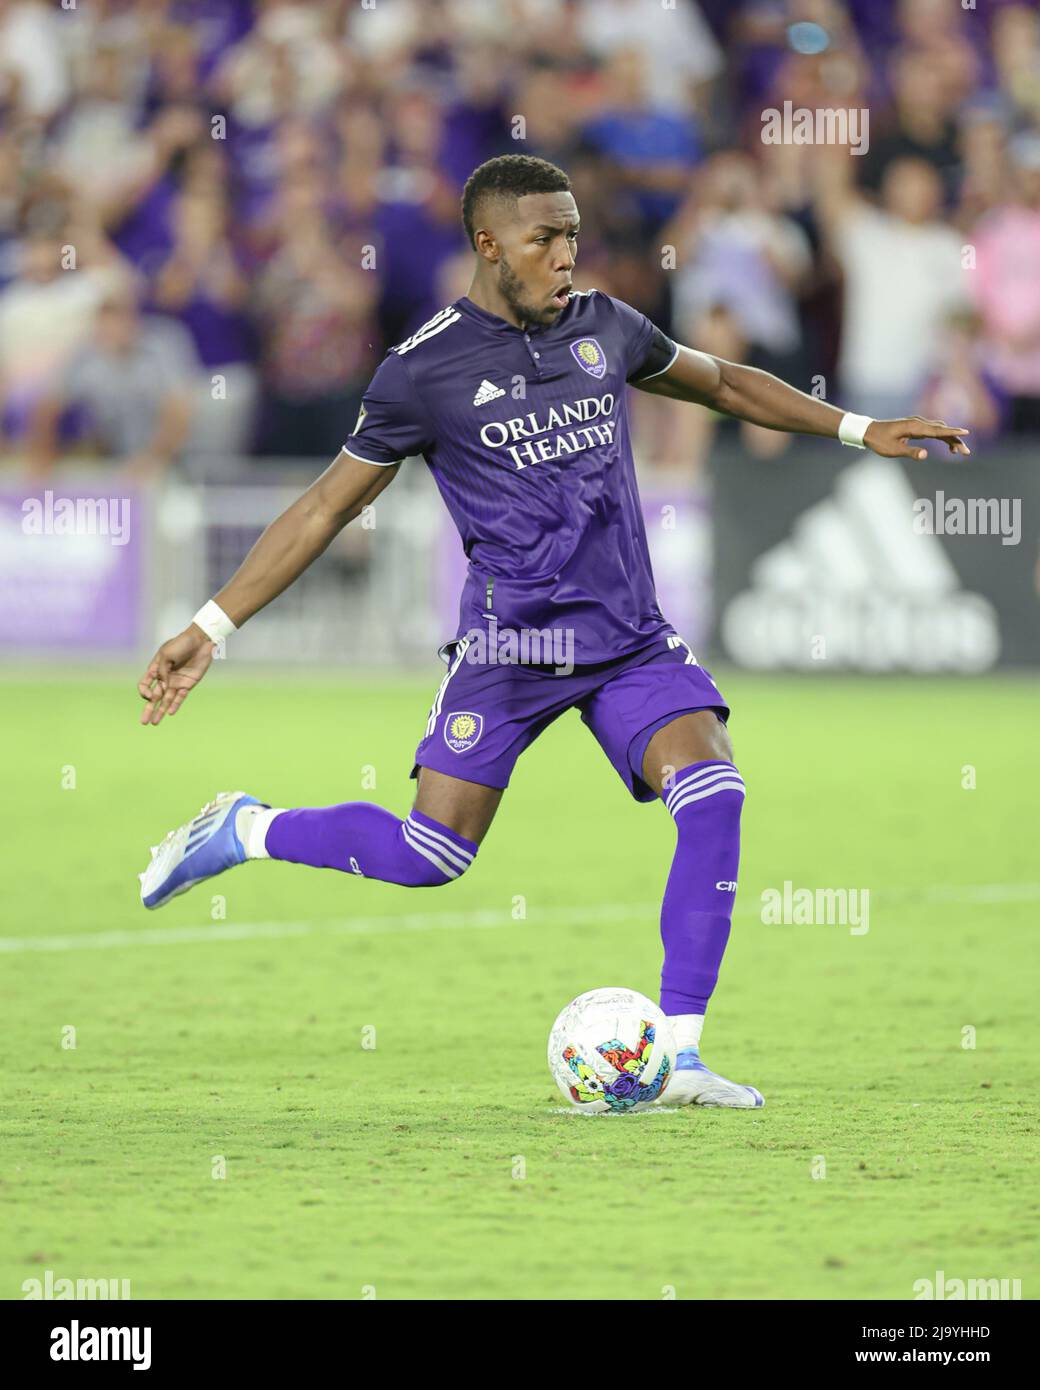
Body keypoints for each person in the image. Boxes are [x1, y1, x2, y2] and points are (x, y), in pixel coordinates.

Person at [136, 155, 970, 1108]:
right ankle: (247, 827)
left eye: (573, 234)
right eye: (545, 238)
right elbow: (327, 507)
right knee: (431, 856)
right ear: (489, 246)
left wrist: (862, 430)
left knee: (715, 794)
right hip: (512, 649)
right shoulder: (423, 371)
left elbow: (727, 384)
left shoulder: (605, 328)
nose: (567, 255)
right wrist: (210, 624)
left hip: (627, 639)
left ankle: (682, 1057)